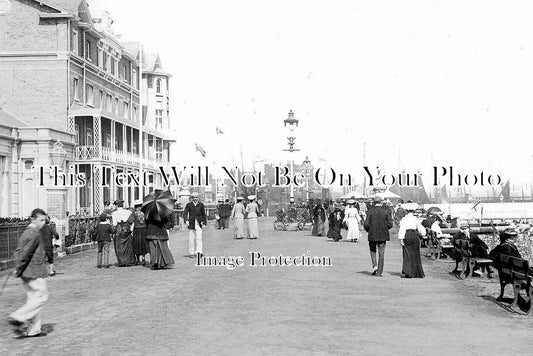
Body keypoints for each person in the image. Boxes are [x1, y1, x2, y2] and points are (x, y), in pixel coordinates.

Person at [8, 208, 49, 338]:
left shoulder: (26, 232)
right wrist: (18, 269)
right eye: (41, 220)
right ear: (33, 219)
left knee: (33, 298)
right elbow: (26, 254)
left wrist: (18, 268)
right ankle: (18, 317)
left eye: (44, 220)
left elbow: (18, 252)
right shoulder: (34, 233)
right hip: (34, 271)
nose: (43, 222)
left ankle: (34, 330)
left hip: (27, 271)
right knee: (42, 296)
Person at [364, 196, 393, 277]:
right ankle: (380, 272)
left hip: (372, 234)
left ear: (373, 202)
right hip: (383, 235)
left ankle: (375, 266)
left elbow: (366, 224)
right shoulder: (386, 211)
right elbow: (390, 224)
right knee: (381, 253)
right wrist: (385, 227)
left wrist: (368, 229)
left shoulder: (370, 212)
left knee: (372, 251)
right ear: (381, 202)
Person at [397, 207, 426, 278]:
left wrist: (401, 239)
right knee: (415, 254)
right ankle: (417, 272)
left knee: (407, 254)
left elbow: (402, 228)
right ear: (413, 212)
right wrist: (423, 234)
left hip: (407, 235)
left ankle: (408, 272)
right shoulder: (416, 219)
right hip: (414, 235)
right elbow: (420, 228)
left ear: (406, 211)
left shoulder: (404, 219)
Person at [111, 200, 135, 267]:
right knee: (128, 245)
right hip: (126, 228)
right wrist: (131, 229)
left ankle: (121, 261)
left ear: (117, 205)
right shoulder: (128, 212)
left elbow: (114, 223)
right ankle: (128, 260)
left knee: (119, 246)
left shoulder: (114, 213)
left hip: (119, 229)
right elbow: (132, 221)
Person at [183, 192, 207, 257]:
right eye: (194, 197)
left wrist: (204, 222)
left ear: (198, 198)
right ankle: (191, 253)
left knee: (199, 238)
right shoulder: (189, 205)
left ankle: (199, 252)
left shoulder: (201, 205)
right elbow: (185, 213)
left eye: (196, 197)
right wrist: (186, 220)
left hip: (199, 223)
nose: (195, 199)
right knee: (191, 239)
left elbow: (203, 214)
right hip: (191, 223)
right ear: (192, 198)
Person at [127, 200, 149, 265]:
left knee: (136, 244)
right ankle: (143, 258)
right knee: (143, 244)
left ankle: (137, 259)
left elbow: (129, 220)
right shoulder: (145, 212)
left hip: (137, 230)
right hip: (144, 230)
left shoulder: (134, 213)